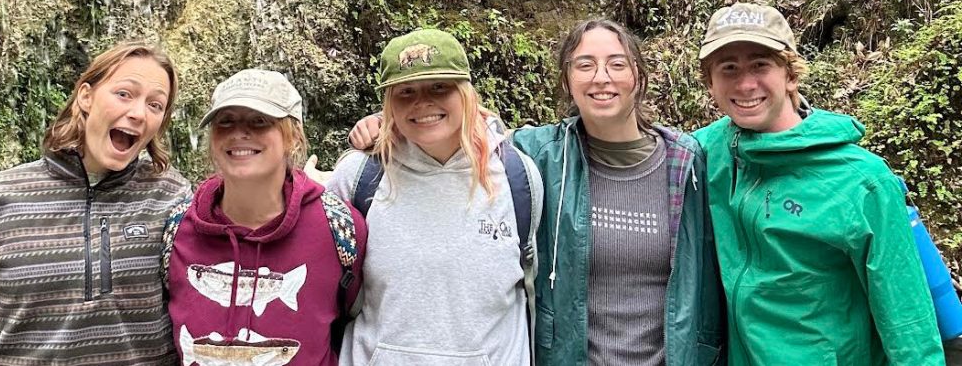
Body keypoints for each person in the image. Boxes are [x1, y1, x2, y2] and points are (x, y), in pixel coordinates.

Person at [347, 20, 725, 366]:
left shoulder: (688, 163)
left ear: (639, 76)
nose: (601, 78)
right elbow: (467, 131)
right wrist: (388, 122)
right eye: (585, 65)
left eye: (617, 64)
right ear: (566, 79)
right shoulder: (541, 155)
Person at [693, 2, 944, 365]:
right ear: (710, 82)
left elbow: (908, 322)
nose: (746, 83)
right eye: (728, 68)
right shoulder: (704, 153)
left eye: (760, 65)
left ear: (790, 74)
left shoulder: (862, 182)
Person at [0, 41, 190, 365]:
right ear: (86, 96)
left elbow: (206, 312)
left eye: (156, 105)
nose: (139, 113)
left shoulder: (172, 197)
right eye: (124, 94)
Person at [328, 28, 543, 365]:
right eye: (406, 91)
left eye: (439, 87)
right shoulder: (359, 177)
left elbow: (531, 289)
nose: (422, 102)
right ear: (388, 103)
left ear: (466, 93)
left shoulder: (518, 177)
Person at [165, 68, 366, 366]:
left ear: (294, 137)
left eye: (259, 121)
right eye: (225, 121)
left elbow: (361, 319)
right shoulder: (178, 227)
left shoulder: (340, 227)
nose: (238, 133)